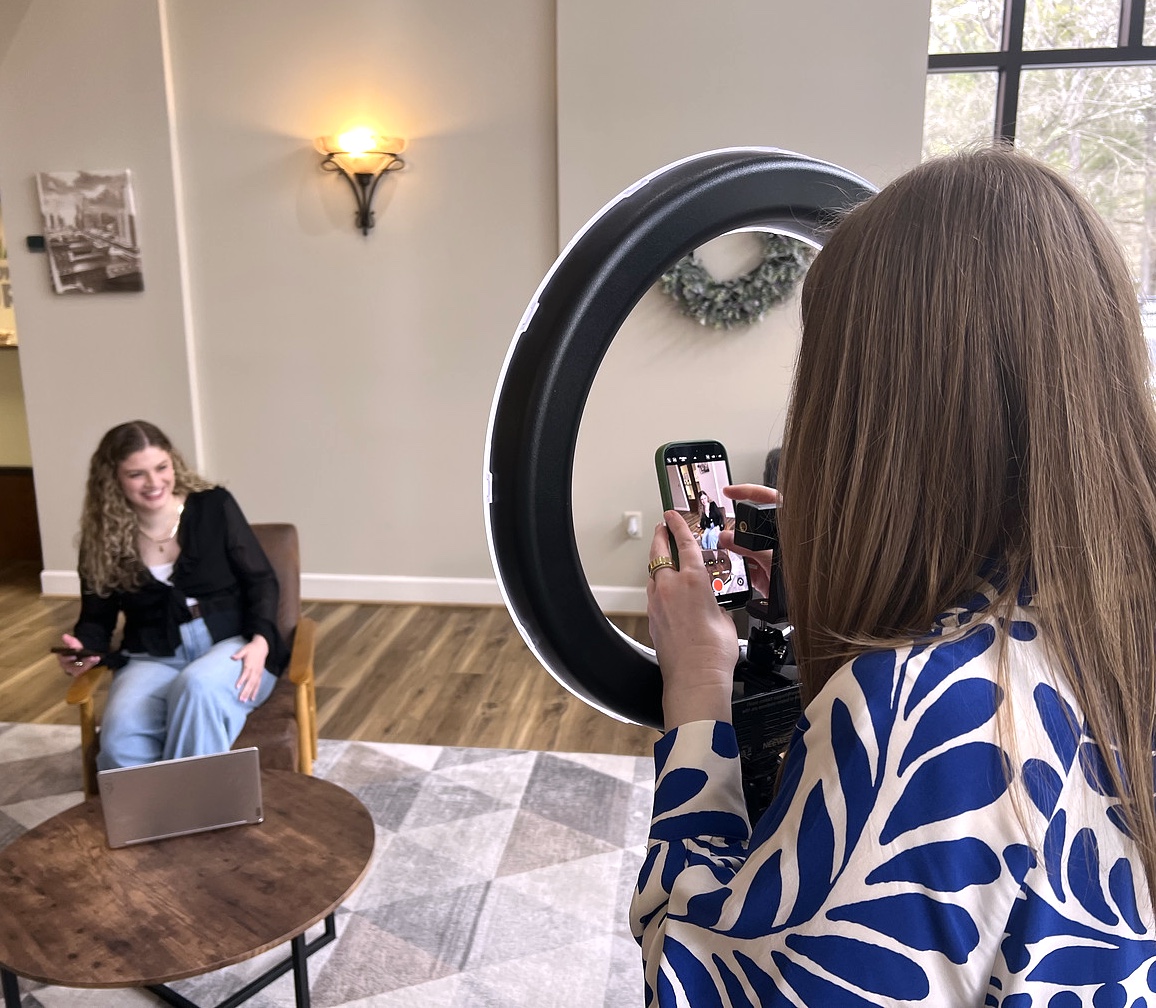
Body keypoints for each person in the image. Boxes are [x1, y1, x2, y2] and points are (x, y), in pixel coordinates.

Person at [634, 147, 1156, 1004]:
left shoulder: (921, 717)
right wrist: (845, 577)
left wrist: (695, 691)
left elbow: (704, 982)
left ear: (865, 404)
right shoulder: (1114, 613)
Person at [56, 420, 286, 770]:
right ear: (113, 478)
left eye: (161, 468)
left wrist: (261, 641)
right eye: (137, 474)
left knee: (199, 688)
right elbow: (96, 618)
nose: (154, 483)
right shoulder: (101, 539)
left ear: (172, 463)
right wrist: (82, 652)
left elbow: (261, 580)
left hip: (231, 642)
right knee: (119, 739)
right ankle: (147, 823)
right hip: (152, 653)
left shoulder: (214, 506)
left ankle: (197, 818)